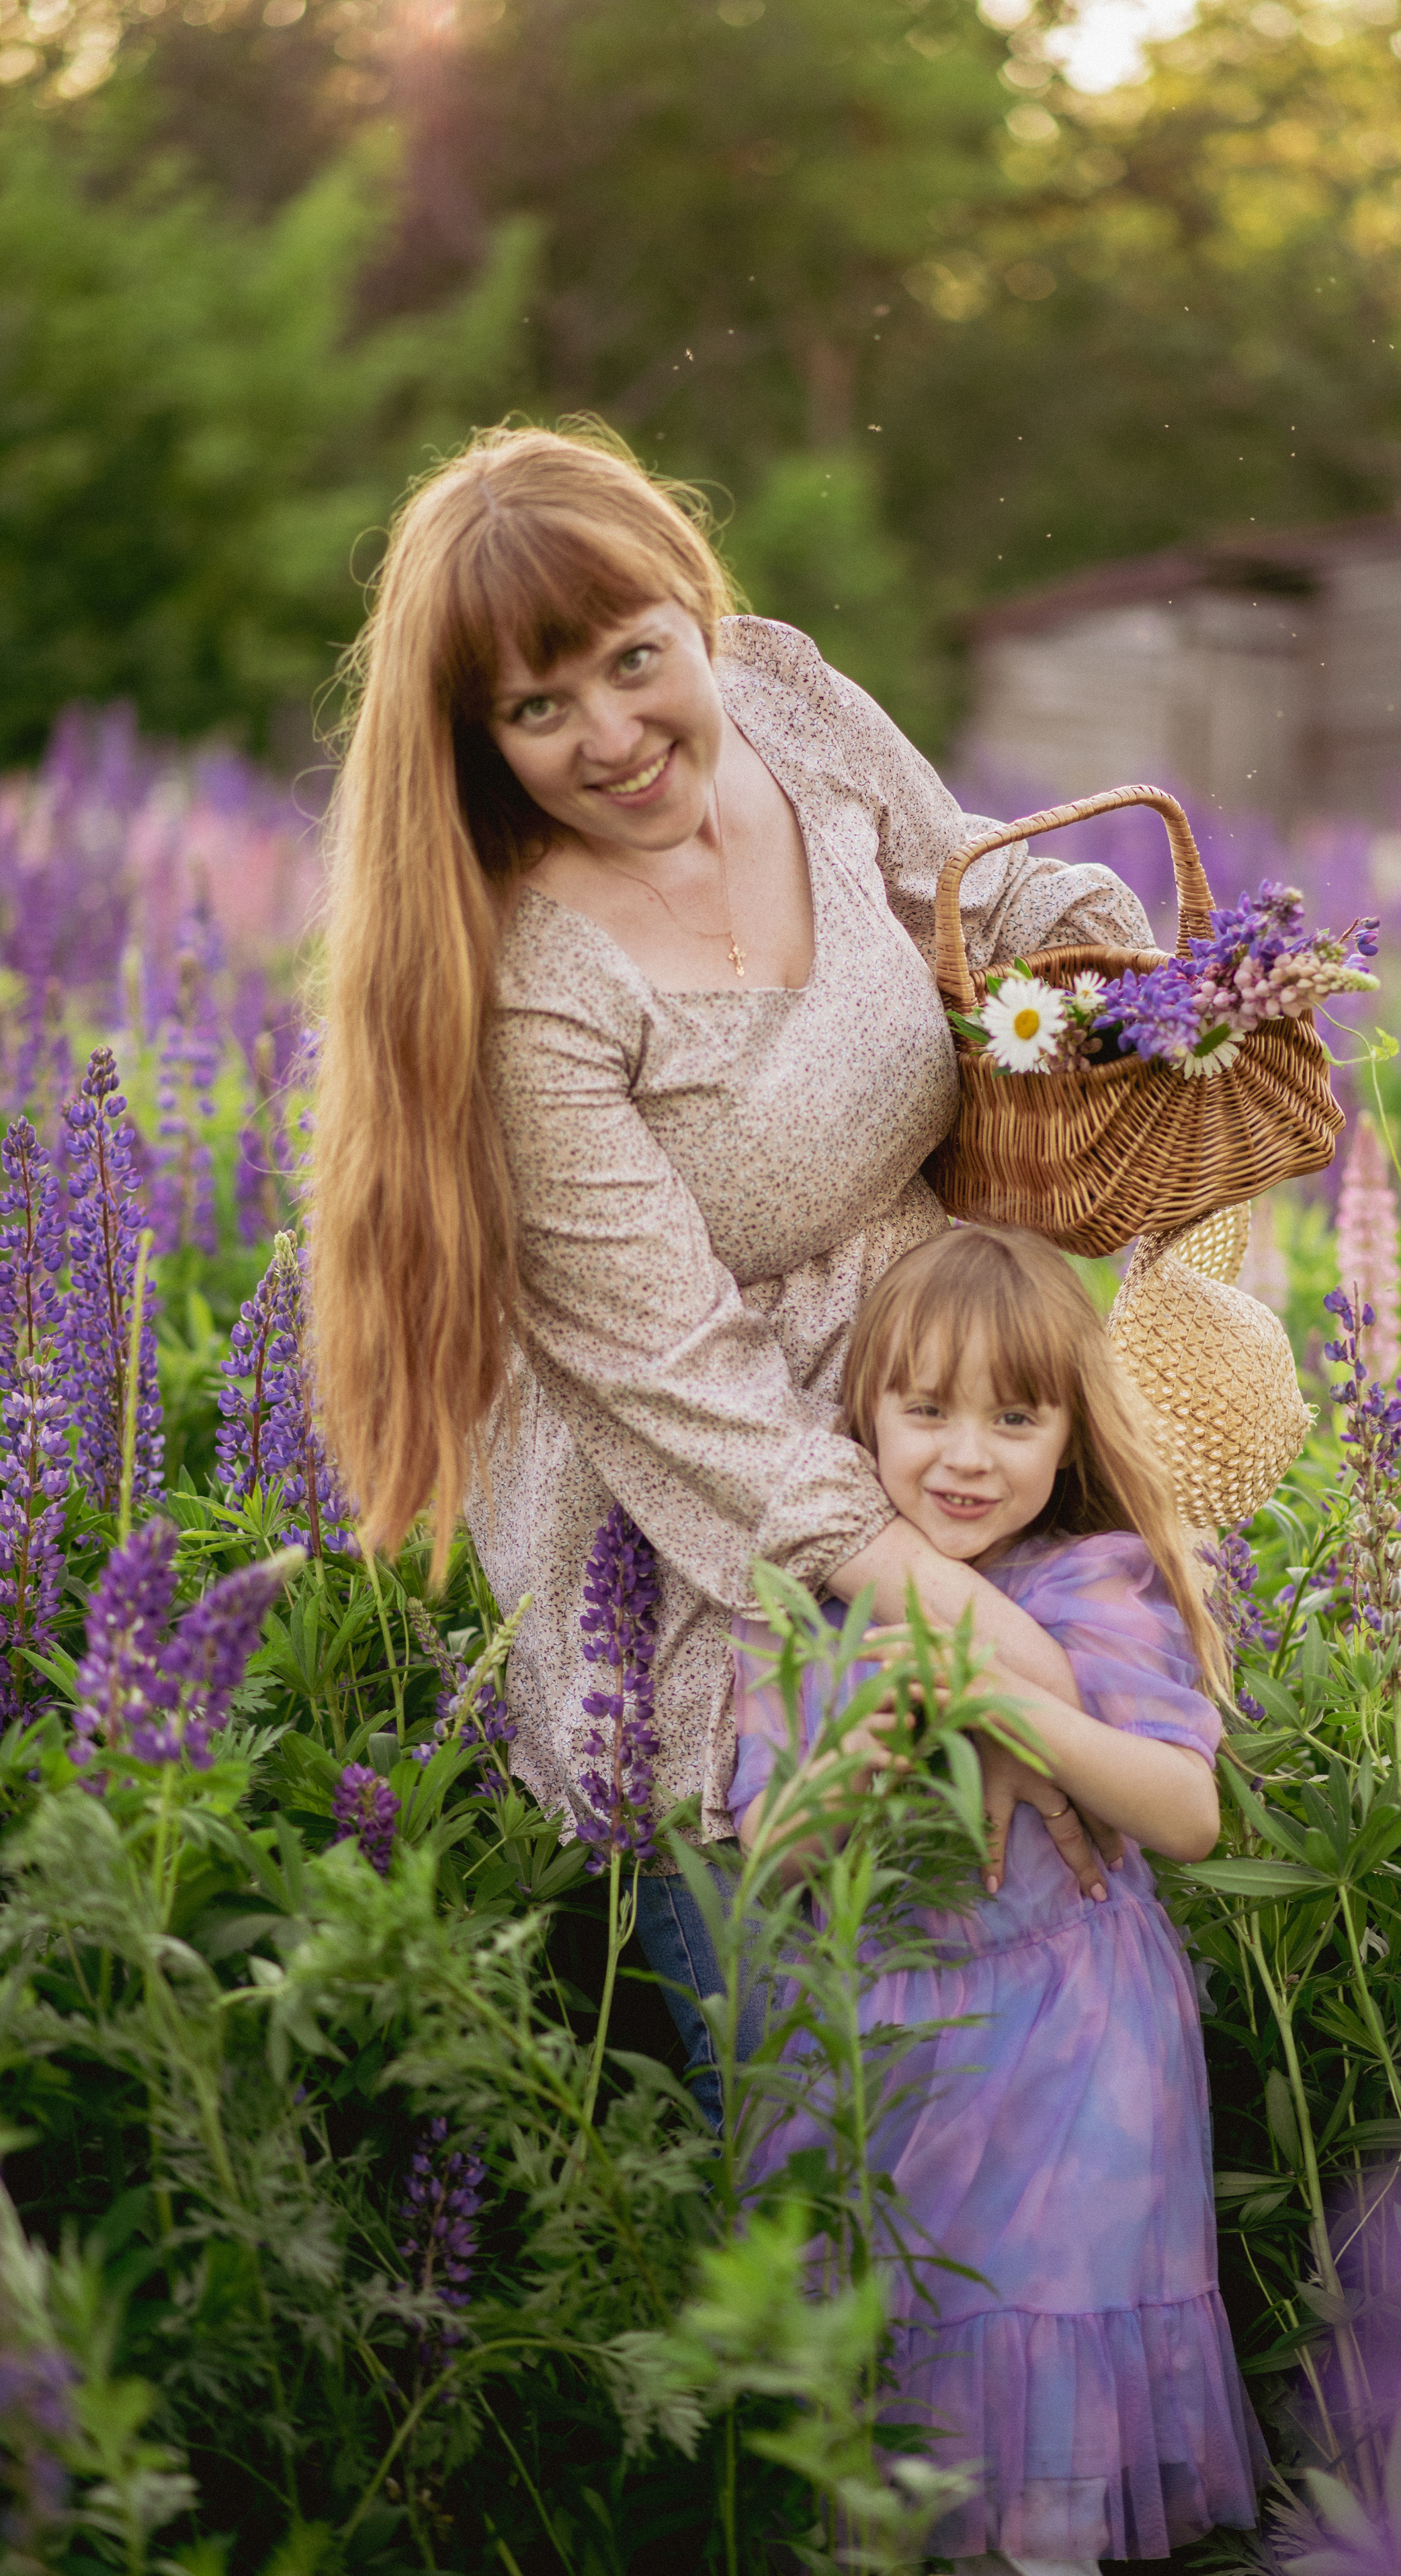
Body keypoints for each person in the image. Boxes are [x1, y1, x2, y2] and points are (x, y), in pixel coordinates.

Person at [312, 421, 1156, 2123]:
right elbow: (671, 1374)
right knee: (839, 2072)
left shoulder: (783, 700)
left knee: (1065, 2011)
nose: (614, 739)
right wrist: (962, 1626)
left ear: (695, 614)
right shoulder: (527, 981)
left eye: (634, 662)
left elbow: (963, 883)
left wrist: (1118, 956)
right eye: (538, 711)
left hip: (953, 1394)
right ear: (477, 742)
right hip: (714, 1524)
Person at [730, 1225, 1265, 2575]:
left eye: (1014, 1418)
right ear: (862, 1417)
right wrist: (879, 1737)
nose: (965, 1457)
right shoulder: (821, 1608)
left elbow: (1185, 1814)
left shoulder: (1095, 1584)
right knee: (882, 2429)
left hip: (1076, 2050)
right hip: (883, 2058)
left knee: (1045, 2452)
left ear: (1069, 1432)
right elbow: (767, 1848)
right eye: (925, 1412)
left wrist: (1004, 1705)